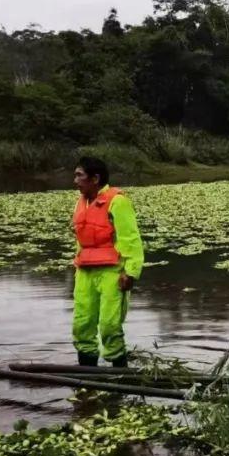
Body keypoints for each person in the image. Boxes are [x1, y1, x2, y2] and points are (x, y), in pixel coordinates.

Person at [72, 156, 144, 368]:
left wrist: (131, 273)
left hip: (112, 273)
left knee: (109, 325)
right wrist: (77, 266)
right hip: (85, 272)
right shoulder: (81, 202)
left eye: (79, 175)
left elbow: (131, 239)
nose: (75, 180)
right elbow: (82, 240)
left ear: (95, 178)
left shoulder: (118, 201)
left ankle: (119, 375)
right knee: (82, 324)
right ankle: (87, 372)